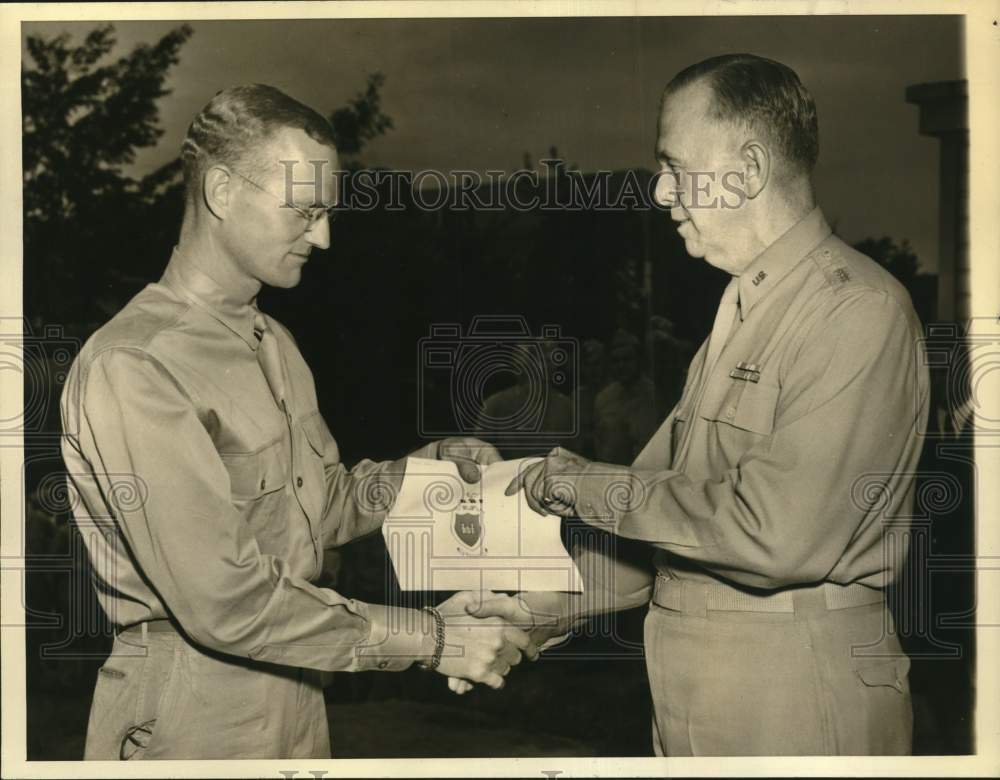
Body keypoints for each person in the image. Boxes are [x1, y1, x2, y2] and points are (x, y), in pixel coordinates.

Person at [59, 84, 535, 761]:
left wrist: (424, 471)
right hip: (192, 716)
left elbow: (318, 508)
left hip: (298, 690)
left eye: (327, 211)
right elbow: (227, 601)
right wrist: (434, 639)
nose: (323, 235)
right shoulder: (136, 364)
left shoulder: (273, 343)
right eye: (305, 210)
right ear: (222, 191)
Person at [487, 54, 930, 756]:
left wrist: (579, 484)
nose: (661, 191)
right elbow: (662, 527)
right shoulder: (745, 310)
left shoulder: (855, 309)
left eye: (673, 165)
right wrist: (534, 613)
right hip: (703, 689)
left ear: (748, 170)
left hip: (793, 690)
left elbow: (775, 536)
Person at [592, 329, 660, 465]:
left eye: (627, 359)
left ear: (639, 360)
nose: (621, 366)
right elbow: (599, 444)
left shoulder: (654, 395)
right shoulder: (603, 399)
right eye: (616, 361)